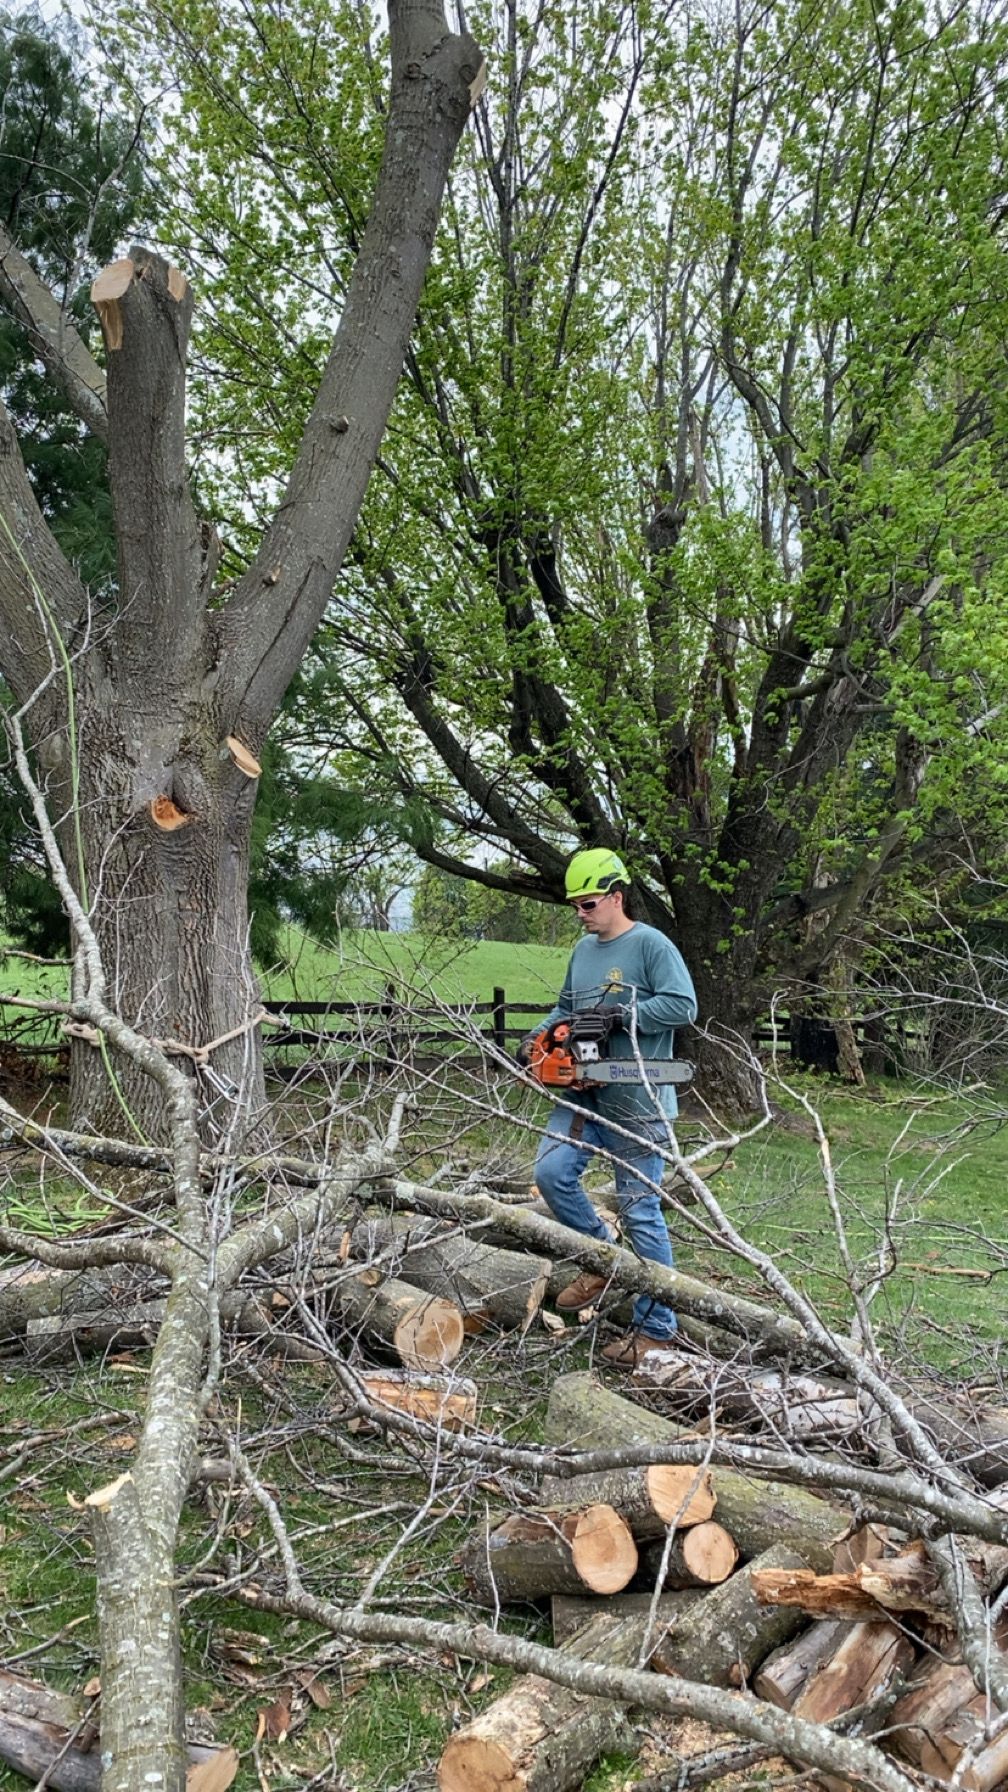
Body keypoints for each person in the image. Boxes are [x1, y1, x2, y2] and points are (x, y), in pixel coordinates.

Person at [520, 848, 697, 1368]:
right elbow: (566, 1008)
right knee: (551, 1174)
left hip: (637, 1098)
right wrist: (538, 1036)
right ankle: (603, 1257)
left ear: (617, 896)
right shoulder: (582, 950)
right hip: (583, 1088)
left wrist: (621, 1015)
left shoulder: (651, 944)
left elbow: (684, 1006)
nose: (581, 912)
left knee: (642, 1212)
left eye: (589, 902)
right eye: (576, 904)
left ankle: (657, 1329)